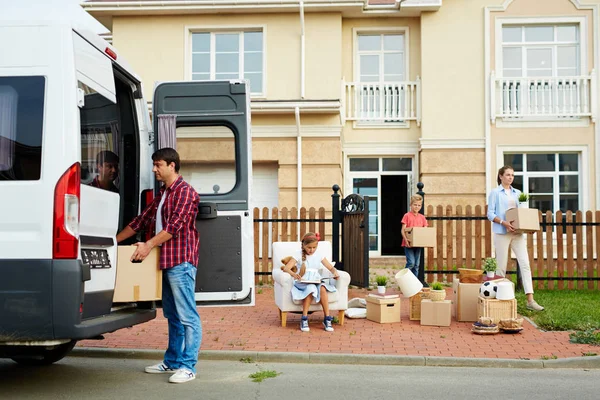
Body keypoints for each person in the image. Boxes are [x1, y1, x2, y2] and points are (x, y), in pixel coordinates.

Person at [115, 147, 202, 383]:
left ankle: (188, 366)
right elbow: (140, 221)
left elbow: (174, 227)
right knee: (173, 315)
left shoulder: (185, 192)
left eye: (158, 164)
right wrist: (112, 242)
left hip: (181, 261)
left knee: (187, 316)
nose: (154, 169)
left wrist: (148, 245)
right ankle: (172, 362)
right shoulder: (163, 193)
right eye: (154, 165)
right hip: (165, 261)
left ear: (172, 165)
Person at [487, 165, 544, 311]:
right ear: (501, 176)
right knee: (501, 267)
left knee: (525, 264)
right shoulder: (495, 193)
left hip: (517, 234)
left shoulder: (518, 193)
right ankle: (499, 301)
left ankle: (530, 300)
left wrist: (528, 227)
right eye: (507, 175)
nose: (510, 177)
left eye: (512, 175)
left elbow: (522, 214)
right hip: (502, 233)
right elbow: (490, 214)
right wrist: (504, 222)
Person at [283, 232, 340, 332]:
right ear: (304, 245)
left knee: (322, 288)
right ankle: (304, 318)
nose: (312, 250)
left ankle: (327, 318)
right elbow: (286, 268)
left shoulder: (319, 255)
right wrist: (294, 274)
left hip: (316, 280)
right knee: (310, 288)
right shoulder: (298, 254)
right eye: (309, 247)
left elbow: (330, 267)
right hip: (303, 281)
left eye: (314, 247)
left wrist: (335, 272)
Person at [401, 194, 428, 280]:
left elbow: (425, 230)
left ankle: (413, 283)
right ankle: (404, 280)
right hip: (408, 244)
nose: (417, 207)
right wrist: (406, 240)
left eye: (419, 205)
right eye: (415, 205)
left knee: (416, 265)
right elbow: (403, 230)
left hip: (418, 245)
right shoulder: (407, 216)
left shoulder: (422, 218)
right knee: (411, 263)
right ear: (411, 205)